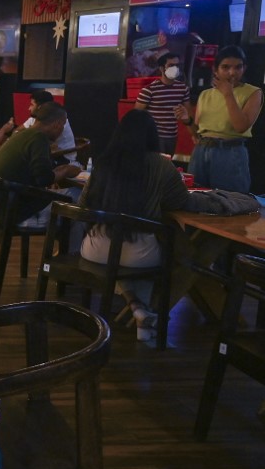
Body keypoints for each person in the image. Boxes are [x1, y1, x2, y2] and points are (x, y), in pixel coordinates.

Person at [80, 110, 193, 341]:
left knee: (118, 256)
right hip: (140, 253)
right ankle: (146, 318)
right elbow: (181, 202)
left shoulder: (104, 162)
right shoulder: (161, 165)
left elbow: (83, 204)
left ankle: (138, 309)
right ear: (153, 135)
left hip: (96, 248)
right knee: (170, 251)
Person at [183, 45, 263, 192]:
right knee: (196, 199)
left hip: (230, 152)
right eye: (225, 67)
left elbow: (241, 126)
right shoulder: (205, 94)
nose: (232, 72)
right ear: (215, 69)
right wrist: (186, 120)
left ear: (244, 68)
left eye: (238, 67)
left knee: (228, 203)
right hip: (201, 151)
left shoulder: (253, 92)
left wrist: (228, 94)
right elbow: (196, 134)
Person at [0, 102, 81, 227]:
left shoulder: (22, 135)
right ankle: (76, 247)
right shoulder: (39, 138)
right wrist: (65, 170)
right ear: (57, 124)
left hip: (9, 210)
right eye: (63, 125)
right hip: (25, 214)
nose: (62, 129)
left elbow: (36, 172)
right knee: (79, 194)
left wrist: (59, 170)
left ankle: (69, 246)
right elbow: (44, 179)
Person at [134, 54, 193, 157]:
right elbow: (135, 116)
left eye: (177, 65)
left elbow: (188, 114)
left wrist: (186, 118)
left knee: (167, 165)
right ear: (162, 68)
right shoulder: (149, 90)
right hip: (155, 136)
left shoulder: (183, 88)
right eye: (171, 65)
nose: (175, 68)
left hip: (172, 136)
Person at [21, 90, 81, 167]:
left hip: (62, 159)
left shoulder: (58, 120)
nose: (29, 108)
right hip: (47, 155)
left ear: (40, 107)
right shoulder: (37, 118)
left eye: (32, 105)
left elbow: (42, 143)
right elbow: (18, 132)